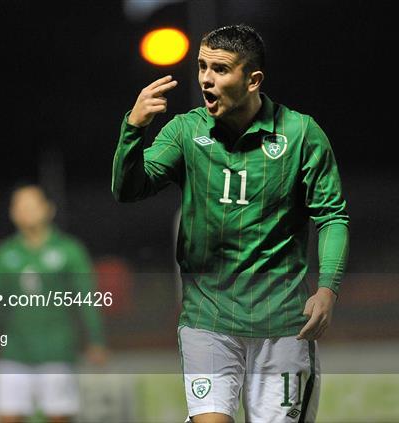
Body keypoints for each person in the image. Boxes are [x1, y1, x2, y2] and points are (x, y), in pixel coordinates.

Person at [112, 24, 349, 423]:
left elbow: (332, 215)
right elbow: (128, 189)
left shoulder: (301, 134)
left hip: (283, 323)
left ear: (253, 79)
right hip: (208, 320)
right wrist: (132, 129)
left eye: (220, 69)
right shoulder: (185, 131)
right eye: (202, 66)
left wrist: (328, 289)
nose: (206, 77)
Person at [0, 184, 107, 423]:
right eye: (20, 206)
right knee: (8, 416)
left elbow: (87, 300)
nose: (26, 211)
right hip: (13, 352)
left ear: (47, 209)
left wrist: (96, 340)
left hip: (57, 351)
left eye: (32, 205)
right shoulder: (5, 254)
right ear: (12, 213)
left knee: (59, 417)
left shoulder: (69, 251)